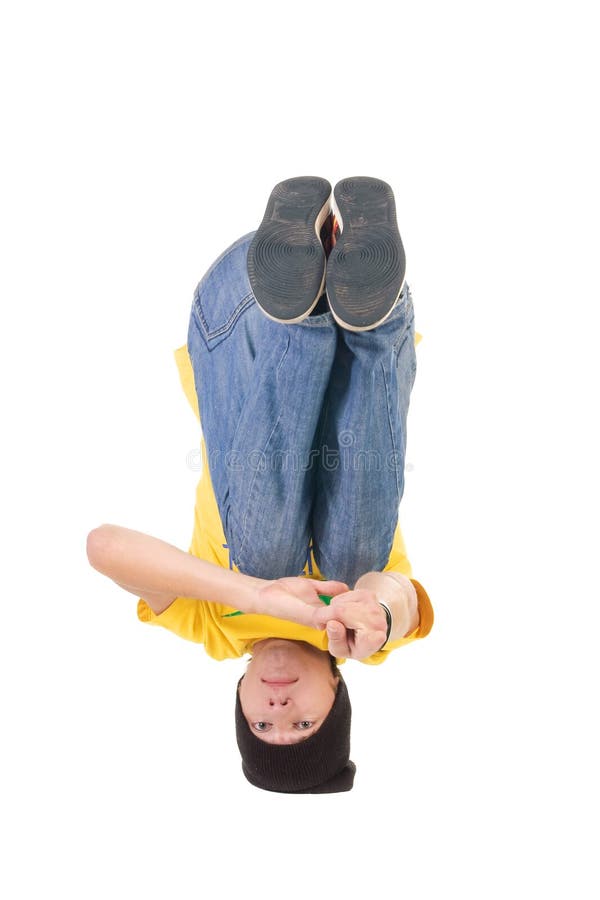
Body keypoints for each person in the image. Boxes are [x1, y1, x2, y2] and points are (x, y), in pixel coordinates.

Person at [86, 176, 434, 794]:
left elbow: (103, 547)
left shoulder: (216, 629)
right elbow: (400, 597)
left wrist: (261, 595)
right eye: (303, 723)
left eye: (261, 724)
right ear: (337, 688)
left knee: (270, 562)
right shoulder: (359, 638)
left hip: (242, 319)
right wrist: (378, 606)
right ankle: (372, 315)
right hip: (360, 307)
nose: (277, 713)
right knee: (355, 571)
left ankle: (298, 318)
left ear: (241, 698)